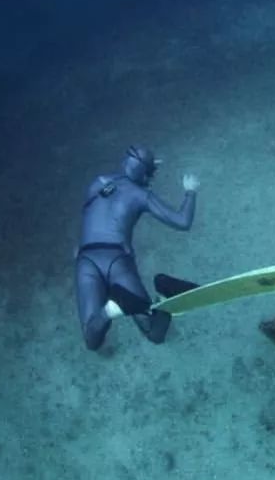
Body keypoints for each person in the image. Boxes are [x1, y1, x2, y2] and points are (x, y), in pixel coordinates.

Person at [74, 145, 199, 350]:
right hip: (118, 261)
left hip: (86, 260)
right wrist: (190, 191)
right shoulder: (141, 195)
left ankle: (110, 310)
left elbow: (92, 214)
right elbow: (182, 222)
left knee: (92, 340)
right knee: (154, 333)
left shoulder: (97, 183)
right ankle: (165, 292)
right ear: (144, 173)